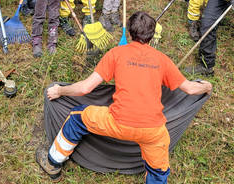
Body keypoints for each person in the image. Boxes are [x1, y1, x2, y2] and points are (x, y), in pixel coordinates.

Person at [36, 11, 213, 183]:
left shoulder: (116, 54)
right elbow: (189, 89)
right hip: (153, 132)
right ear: (152, 36)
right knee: (159, 170)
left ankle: (53, 163)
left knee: (77, 117)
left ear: (129, 32)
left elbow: (85, 88)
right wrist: (207, 86)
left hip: (117, 123)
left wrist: (60, 91)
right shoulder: (162, 59)